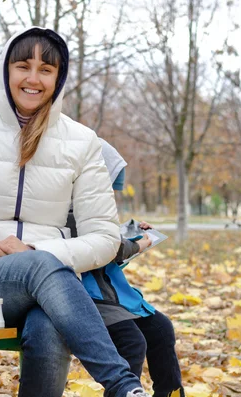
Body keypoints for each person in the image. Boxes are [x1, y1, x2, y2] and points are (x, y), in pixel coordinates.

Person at [0, 27, 151, 397]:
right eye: (23, 66)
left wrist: (39, 253)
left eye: (46, 70)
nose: (33, 79)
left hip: (54, 291)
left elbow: (104, 236)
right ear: (6, 70)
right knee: (44, 271)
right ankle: (122, 385)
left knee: (49, 324)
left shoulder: (81, 142)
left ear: (59, 78)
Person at [68, 140, 185, 397]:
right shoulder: (66, 210)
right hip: (85, 297)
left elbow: (109, 249)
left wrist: (133, 236)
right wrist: (138, 244)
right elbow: (103, 247)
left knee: (161, 328)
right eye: (108, 187)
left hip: (111, 293)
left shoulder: (92, 207)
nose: (110, 195)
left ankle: (170, 393)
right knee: (132, 343)